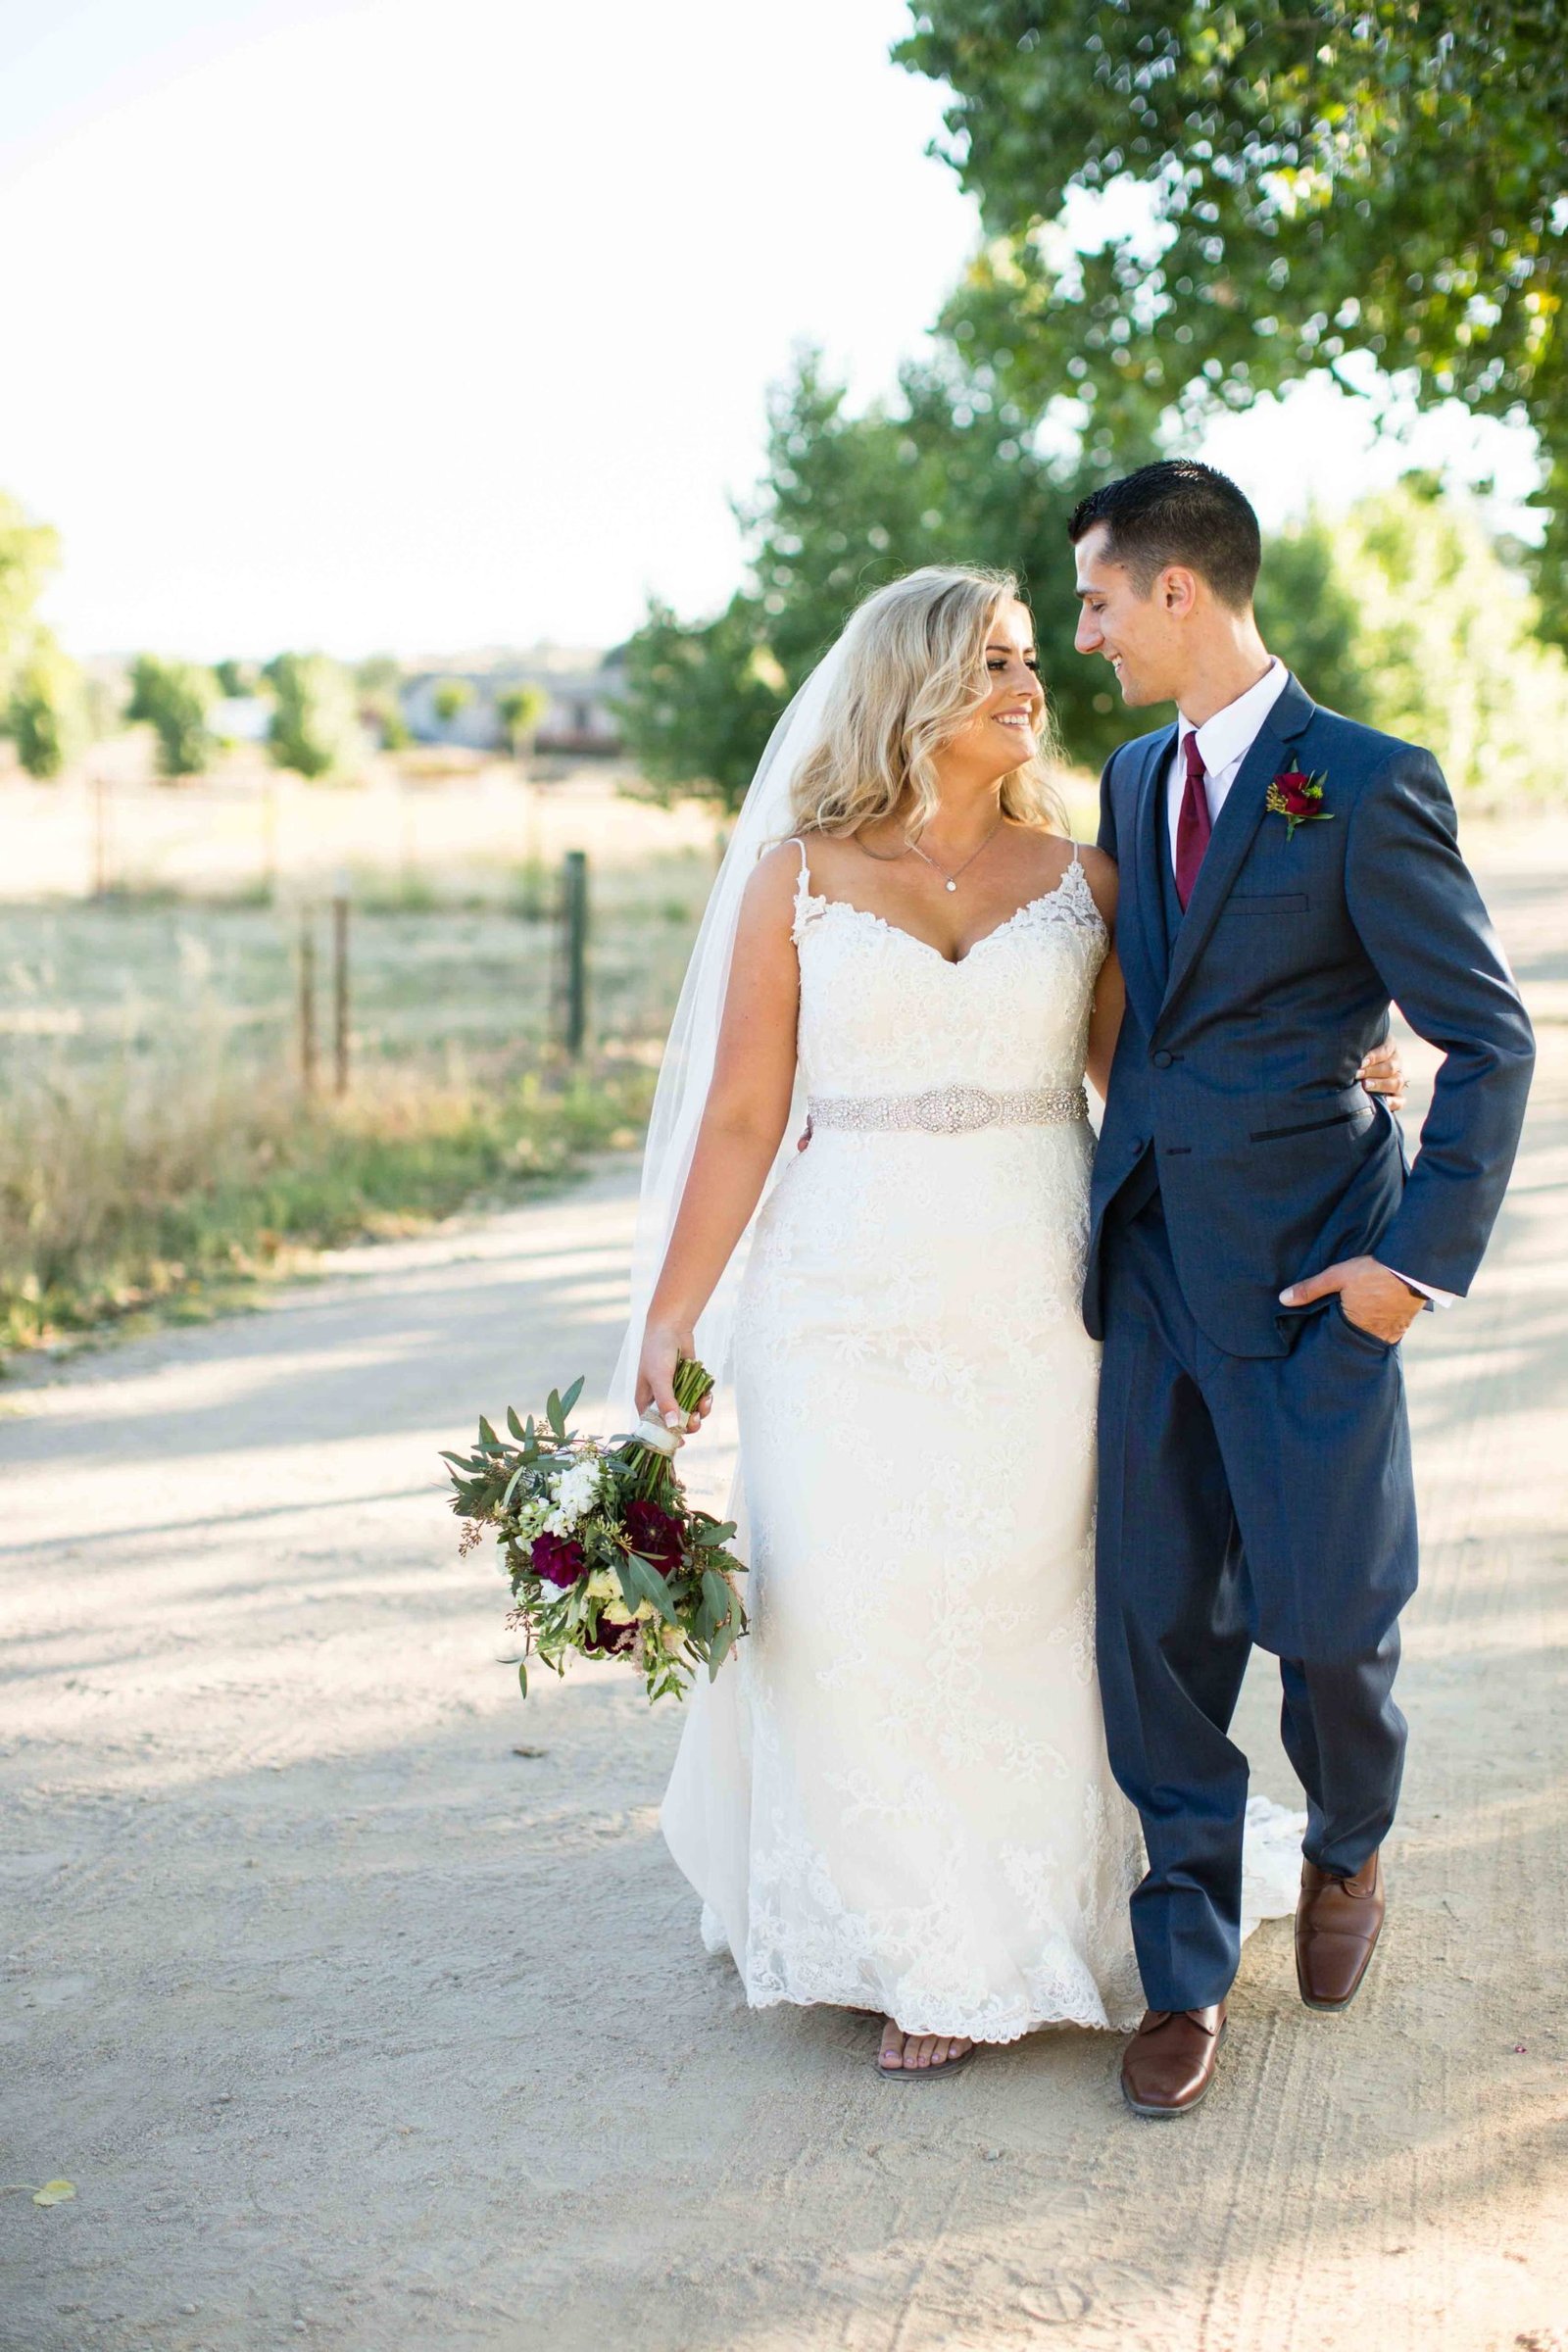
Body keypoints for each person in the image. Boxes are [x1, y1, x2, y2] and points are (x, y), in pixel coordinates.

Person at [615, 562, 1405, 2079]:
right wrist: (674, 1315)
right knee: (850, 1610)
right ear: (914, 685)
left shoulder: (1086, 883)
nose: (1028, 686)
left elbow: (1155, 1086)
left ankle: (1019, 1918)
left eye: (1033, 658)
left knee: (1024, 1608)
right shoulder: (797, 878)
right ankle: (898, 1931)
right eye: (994, 662)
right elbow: (738, 1117)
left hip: (1039, 1297)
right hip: (838, 1298)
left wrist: (1331, 1091)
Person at [1073, 461, 1534, 2117]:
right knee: (1157, 1630)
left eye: (1100, 598)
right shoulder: (1130, 780)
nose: (1086, 632)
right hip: (1148, 1273)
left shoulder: (1363, 782)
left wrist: (1409, 1271)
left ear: (1179, 589)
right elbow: (1141, 1005)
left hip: (1310, 1279)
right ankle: (1187, 1960)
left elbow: (1489, 1037)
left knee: (1331, 1626)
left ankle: (1351, 1846)